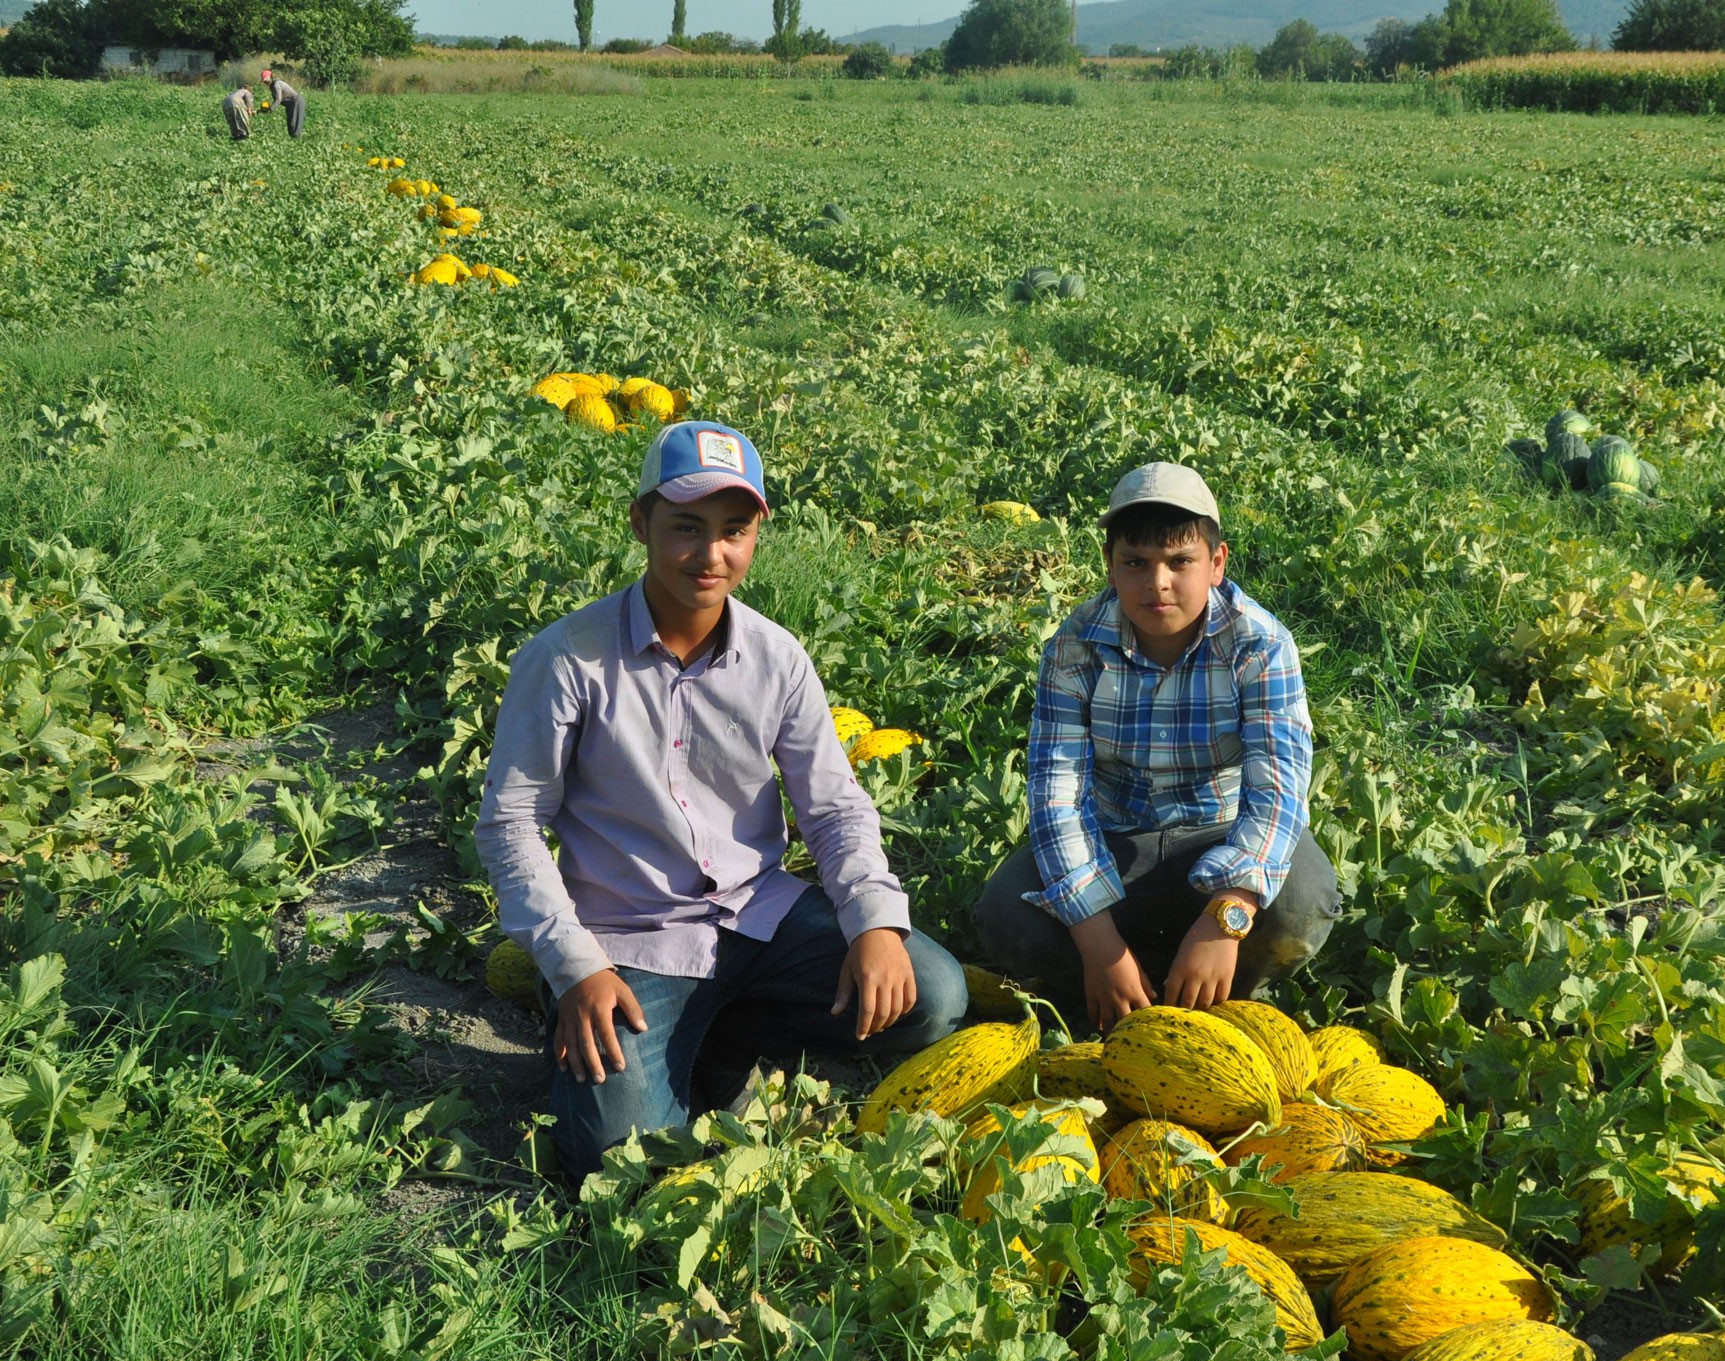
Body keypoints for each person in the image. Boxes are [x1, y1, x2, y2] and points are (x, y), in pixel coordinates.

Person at [476, 420, 968, 1180]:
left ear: (758, 532)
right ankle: (624, 1036)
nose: (711, 555)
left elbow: (834, 808)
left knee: (932, 993)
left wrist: (873, 921)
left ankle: (726, 1028)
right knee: (623, 1162)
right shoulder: (565, 659)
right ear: (641, 523)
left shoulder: (776, 658)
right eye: (686, 528)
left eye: (733, 531)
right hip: (628, 940)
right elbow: (511, 826)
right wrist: (575, 968)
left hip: (756, 915)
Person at [974, 462, 1339, 1030]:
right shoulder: (1075, 648)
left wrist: (1226, 915)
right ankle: (1124, 981)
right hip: (1116, 839)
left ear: (1216, 564)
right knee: (1005, 916)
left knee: (1302, 902)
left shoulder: (1260, 646)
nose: (1158, 582)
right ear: (1110, 567)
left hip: (1220, 830)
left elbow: (1278, 792)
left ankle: (1209, 989)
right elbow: (1057, 800)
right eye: (1136, 564)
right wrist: (1098, 945)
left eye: (1180, 562)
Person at [260, 69, 305, 138]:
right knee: (290, 124)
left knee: (295, 124)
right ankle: (293, 140)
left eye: (266, 81)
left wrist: (271, 109)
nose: (265, 83)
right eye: (264, 82)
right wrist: (263, 110)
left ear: (270, 77)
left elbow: (278, 99)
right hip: (290, 105)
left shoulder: (276, 84)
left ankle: (297, 140)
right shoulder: (272, 86)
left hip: (296, 102)